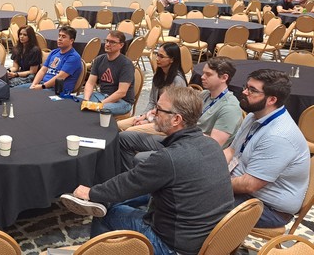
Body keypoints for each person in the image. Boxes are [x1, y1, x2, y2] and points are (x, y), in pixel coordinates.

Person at [60, 86, 233, 255]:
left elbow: (128, 183)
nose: (153, 113)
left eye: (159, 110)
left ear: (176, 119)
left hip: (174, 246)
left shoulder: (170, 158)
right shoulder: (211, 144)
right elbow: (133, 183)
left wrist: (91, 192)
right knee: (115, 199)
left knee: (107, 213)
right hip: (210, 238)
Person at [120, 57, 241, 171]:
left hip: (193, 150)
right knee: (124, 138)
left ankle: (141, 185)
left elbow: (213, 145)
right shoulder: (205, 95)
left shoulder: (230, 108)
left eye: (208, 74)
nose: (202, 77)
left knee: (141, 158)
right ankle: (131, 177)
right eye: (204, 73)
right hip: (178, 139)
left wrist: (180, 128)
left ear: (224, 78)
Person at [225, 69, 309, 228]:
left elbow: (250, 184)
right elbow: (231, 151)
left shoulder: (278, 136)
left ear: (271, 100)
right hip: (246, 191)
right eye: (246, 86)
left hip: (268, 209)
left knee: (200, 202)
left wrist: (214, 183)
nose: (244, 92)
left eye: (252, 90)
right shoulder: (254, 115)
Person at [117, 42, 186, 132]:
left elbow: (174, 111)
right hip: (153, 115)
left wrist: (149, 121)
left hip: (166, 123)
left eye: (161, 56)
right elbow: (152, 101)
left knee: (130, 131)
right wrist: (143, 116)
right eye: (157, 55)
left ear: (172, 60)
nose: (157, 59)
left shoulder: (178, 81)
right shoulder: (158, 75)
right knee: (118, 125)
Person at [81, 31, 134, 115]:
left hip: (122, 102)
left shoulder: (126, 64)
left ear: (121, 45)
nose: (108, 44)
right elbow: (90, 83)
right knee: (77, 103)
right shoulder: (99, 59)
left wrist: (99, 104)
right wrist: (86, 100)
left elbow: (121, 92)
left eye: (112, 42)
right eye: (107, 41)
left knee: (97, 110)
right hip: (101, 95)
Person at [28, 25, 82, 93]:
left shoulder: (73, 57)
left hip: (57, 90)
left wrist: (42, 87)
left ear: (71, 41)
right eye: (59, 36)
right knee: (18, 91)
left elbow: (60, 77)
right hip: (43, 85)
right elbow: (42, 70)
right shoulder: (54, 52)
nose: (59, 39)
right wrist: (33, 85)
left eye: (63, 37)